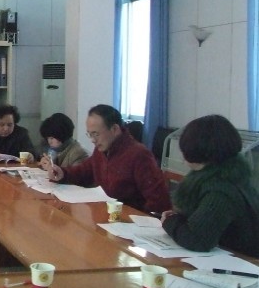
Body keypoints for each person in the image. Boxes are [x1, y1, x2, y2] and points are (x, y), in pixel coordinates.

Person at [161, 115, 259, 256]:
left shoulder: (221, 190)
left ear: (196, 151)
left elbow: (197, 240)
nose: (183, 158)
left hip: (242, 260)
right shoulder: (230, 175)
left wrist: (170, 222)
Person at [48, 104, 172, 215]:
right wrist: (63, 173)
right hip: (105, 215)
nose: (92, 140)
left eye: (96, 134)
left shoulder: (139, 155)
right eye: (90, 134)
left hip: (127, 222)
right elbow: (84, 172)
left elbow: (159, 202)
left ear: (114, 129)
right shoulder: (101, 150)